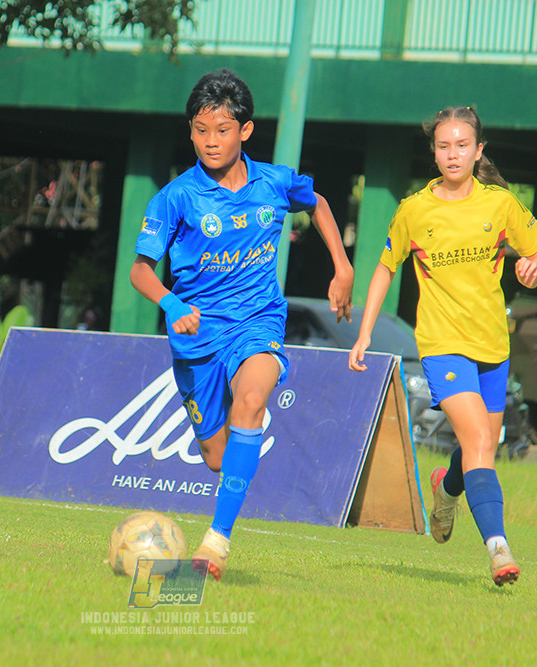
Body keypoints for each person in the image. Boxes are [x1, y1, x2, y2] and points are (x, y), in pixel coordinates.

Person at [130, 68, 354, 581]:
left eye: (223, 130)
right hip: (197, 338)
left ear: (245, 131)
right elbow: (141, 270)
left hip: (257, 322)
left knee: (251, 400)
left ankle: (216, 541)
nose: (211, 141)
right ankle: (230, 467)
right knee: (216, 456)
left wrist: (342, 267)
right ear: (190, 131)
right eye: (201, 130)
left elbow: (317, 203)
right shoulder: (175, 197)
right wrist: (171, 303)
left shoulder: (274, 182)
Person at [348, 106, 537, 587]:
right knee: (478, 440)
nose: (452, 154)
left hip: (492, 346)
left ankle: (447, 489)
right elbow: (385, 268)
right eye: (444, 146)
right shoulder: (414, 210)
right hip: (442, 344)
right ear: (434, 153)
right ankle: (498, 549)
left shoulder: (501, 204)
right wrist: (365, 330)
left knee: (480, 447)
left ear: (478, 151)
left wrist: (533, 269)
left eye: (462, 145)